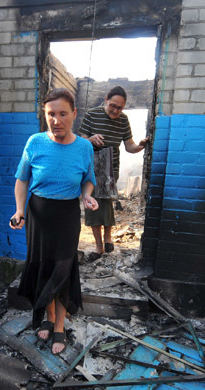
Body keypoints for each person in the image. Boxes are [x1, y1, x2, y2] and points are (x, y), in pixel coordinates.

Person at [10, 88, 98, 355]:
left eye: (62, 114)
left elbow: (89, 179)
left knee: (63, 269)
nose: (56, 120)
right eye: (51, 114)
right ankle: (48, 316)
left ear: (74, 114)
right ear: (45, 115)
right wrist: (19, 211)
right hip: (38, 215)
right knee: (43, 268)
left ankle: (59, 324)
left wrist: (87, 196)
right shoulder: (35, 142)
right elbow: (22, 179)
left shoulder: (83, 146)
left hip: (67, 215)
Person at [78, 86, 149, 260]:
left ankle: (108, 237)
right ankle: (98, 246)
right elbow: (79, 141)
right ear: (106, 100)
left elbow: (129, 146)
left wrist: (141, 145)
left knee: (107, 200)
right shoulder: (91, 115)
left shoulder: (123, 120)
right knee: (93, 204)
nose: (115, 110)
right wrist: (91, 139)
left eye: (119, 107)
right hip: (92, 167)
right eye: (113, 105)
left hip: (111, 168)